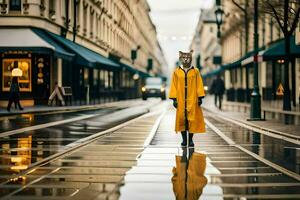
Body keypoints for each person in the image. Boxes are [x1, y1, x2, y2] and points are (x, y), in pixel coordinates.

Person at [169, 50, 206, 147]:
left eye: (188, 58)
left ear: (191, 58)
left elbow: (199, 84)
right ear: (180, 59)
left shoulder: (195, 71)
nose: (186, 59)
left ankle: (190, 140)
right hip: (181, 100)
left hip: (192, 99)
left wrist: (200, 97)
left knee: (192, 120)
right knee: (182, 120)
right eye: (184, 58)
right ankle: (184, 140)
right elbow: (174, 86)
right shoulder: (176, 72)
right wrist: (174, 99)